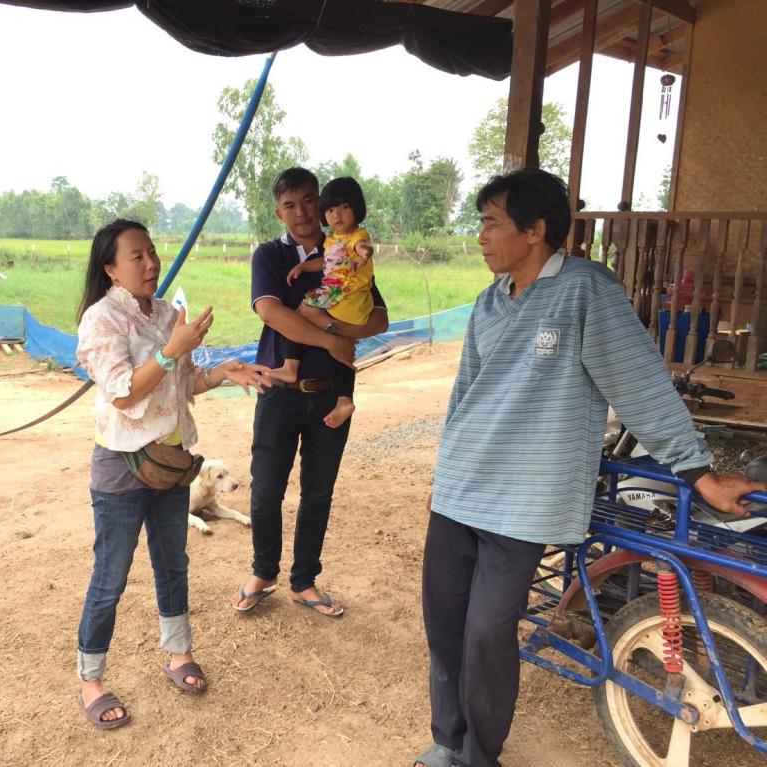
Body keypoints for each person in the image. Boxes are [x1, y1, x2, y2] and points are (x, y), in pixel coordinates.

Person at [412, 168, 765, 767]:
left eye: (492, 223)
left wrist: (698, 473)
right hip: (461, 489)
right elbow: (465, 394)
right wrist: (444, 475)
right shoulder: (490, 301)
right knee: (444, 622)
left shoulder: (585, 291)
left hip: (525, 501)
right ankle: (448, 740)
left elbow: (640, 386)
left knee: (487, 631)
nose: (481, 236)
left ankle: (477, 755)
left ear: (534, 229)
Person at [74, 218, 272, 729]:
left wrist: (223, 372)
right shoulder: (101, 319)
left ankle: (179, 653)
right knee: (110, 576)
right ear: (110, 268)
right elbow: (123, 393)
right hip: (122, 466)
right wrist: (171, 349)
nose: (151, 263)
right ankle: (91, 679)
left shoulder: (166, 314)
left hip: (171, 463)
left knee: (173, 563)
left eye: (152, 252)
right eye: (136, 256)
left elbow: (181, 385)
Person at [230, 167, 388, 617]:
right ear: (278, 212)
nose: (300, 212)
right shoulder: (270, 255)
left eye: (307, 201)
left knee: (318, 493)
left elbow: (379, 318)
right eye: (289, 205)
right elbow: (271, 312)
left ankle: (304, 581)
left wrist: (332, 328)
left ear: (320, 203)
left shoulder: (344, 248)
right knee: (266, 490)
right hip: (278, 390)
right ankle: (264, 572)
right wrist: (332, 340)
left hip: (331, 396)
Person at [270, 176, 375, 428]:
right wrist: (304, 266)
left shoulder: (356, 235)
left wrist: (363, 254)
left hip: (345, 295)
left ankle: (291, 366)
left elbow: (362, 246)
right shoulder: (331, 240)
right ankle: (344, 398)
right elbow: (326, 261)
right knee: (341, 343)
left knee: (304, 312)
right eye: (330, 210)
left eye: (344, 207)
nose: (337, 214)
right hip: (339, 295)